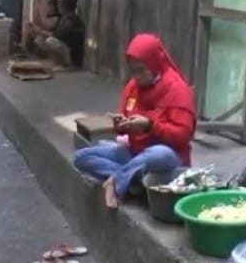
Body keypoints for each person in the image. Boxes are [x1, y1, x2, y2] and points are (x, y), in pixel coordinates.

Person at [73, 33, 196, 209]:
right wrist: (121, 124)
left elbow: (183, 136)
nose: (137, 76)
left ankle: (116, 182)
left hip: (168, 159)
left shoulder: (177, 90)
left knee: (158, 154)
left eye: (141, 70)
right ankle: (133, 179)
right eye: (133, 70)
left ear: (154, 65)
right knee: (81, 157)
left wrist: (150, 125)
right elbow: (122, 128)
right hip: (135, 153)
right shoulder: (133, 87)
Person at [27, 0, 85, 68]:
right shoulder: (64, 18)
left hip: (71, 57)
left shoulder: (71, 20)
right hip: (66, 53)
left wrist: (40, 32)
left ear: (64, 5)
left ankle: (62, 64)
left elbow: (58, 35)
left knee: (50, 40)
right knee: (40, 40)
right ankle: (55, 62)